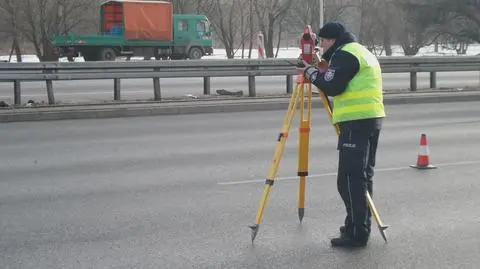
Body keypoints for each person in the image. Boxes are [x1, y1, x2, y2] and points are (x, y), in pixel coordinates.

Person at [297, 21, 386, 247]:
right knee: (361, 177)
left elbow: (334, 85)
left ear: (332, 40)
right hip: (370, 118)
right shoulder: (359, 50)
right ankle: (357, 224)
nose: (322, 47)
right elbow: (339, 78)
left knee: (349, 179)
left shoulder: (345, 54)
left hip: (356, 122)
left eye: (324, 42)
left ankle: (357, 232)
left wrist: (310, 71)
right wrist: (322, 69)